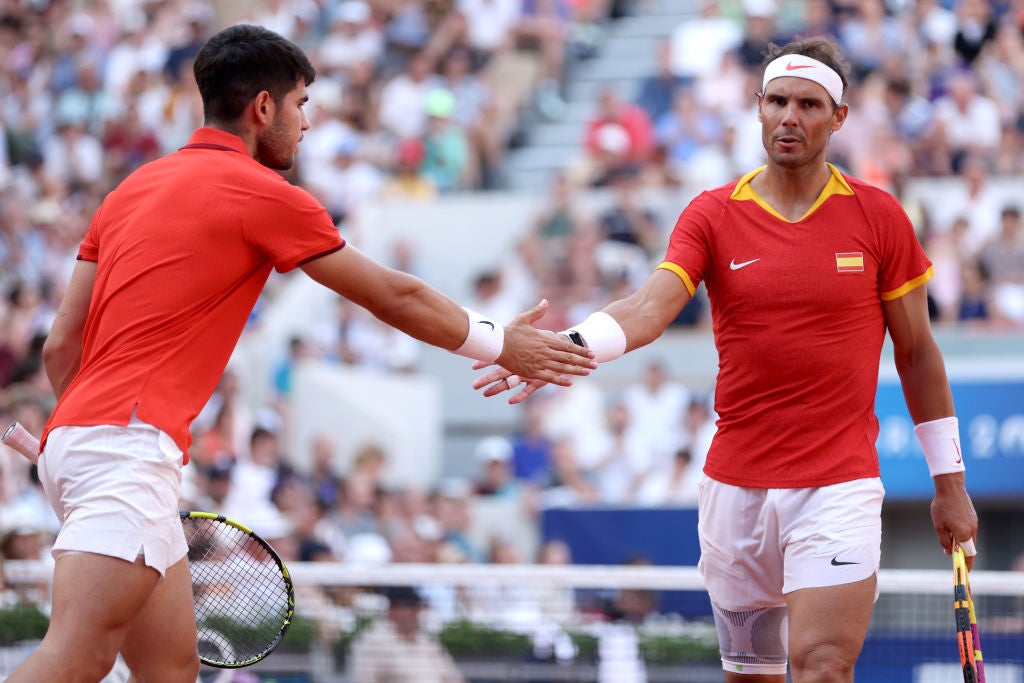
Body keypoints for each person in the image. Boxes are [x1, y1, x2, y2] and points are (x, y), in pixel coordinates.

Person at [16, 24, 595, 683]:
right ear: (262, 108)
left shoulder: (127, 191)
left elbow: (63, 344)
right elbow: (394, 296)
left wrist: (78, 439)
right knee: (79, 658)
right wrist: (502, 342)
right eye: (301, 104)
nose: (307, 123)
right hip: (124, 446)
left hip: (84, 441)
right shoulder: (262, 194)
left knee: (171, 670)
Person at [474, 36, 979, 682]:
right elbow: (648, 307)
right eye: (776, 101)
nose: (789, 116)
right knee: (752, 677)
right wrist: (561, 348)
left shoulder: (880, 218)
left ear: (839, 117)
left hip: (837, 487)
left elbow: (917, 352)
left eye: (808, 104)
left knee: (824, 666)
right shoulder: (712, 213)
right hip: (734, 496)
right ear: (758, 106)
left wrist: (950, 482)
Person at [346, 585, 466, 683]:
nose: (415, 612)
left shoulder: (425, 640)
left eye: (417, 606)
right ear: (392, 610)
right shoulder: (371, 643)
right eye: (409, 606)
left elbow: (453, 677)